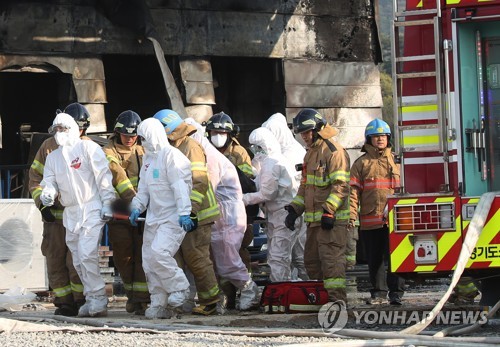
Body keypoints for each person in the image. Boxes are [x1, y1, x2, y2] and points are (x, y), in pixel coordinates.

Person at [40, 113, 117, 317]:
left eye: (63, 129)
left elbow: (103, 177)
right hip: (70, 212)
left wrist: (108, 202)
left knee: (87, 254)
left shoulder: (88, 148)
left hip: (91, 207)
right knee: (77, 260)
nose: (59, 134)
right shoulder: (53, 157)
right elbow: (49, 181)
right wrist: (48, 193)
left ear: (74, 128)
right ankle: (91, 298)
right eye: (56, 130)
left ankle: (99, 299)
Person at [184, 117, 260, 310]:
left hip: (227, 216)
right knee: (216, 259)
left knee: (227, 260)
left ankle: (249, 290)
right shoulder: (206, 153)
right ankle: (223, 299)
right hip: (221, 214)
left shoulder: (209, 158)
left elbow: (206, 186)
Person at [153, 109, 223, 316]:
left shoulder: (190, 147)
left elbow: (199, 181)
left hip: (198, 214)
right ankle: (185, 300)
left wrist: (190, 211)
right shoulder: (171, 147)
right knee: (179, 259)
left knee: (197, 258)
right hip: (180, 215)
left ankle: (211, 301)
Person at [28, 103, 91, 316]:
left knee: (76, 261)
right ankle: (64, 302)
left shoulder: (87, 147)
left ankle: (82, 299)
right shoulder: (48, 147)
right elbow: (35, 179)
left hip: (79, 218)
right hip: (54, 219)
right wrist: (42, 204)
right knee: (55, 258)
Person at [128, 118, 193, 319]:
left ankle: (180, 288)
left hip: (173, 217)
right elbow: (144, 190)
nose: (142, 142)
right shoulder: (148, 159)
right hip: (154, 217)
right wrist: (136, 207)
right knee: (148, 260)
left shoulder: (172, 156)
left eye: (145, 138)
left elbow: (180, 186)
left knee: (159, 253)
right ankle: (159, 302)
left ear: (154, 136)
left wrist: (184, 212)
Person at [284, 108, 350, 303]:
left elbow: (341, 186)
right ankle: (323, 300)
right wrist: (295, 210)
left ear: (319, 129)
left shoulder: (333, 152)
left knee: (331, 263)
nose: (304, 137)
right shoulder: (311, 154)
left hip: (331, 221)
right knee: (312, 262)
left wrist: (329, 212)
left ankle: (337, 303)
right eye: (301, 133)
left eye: (307, 132)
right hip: (314, 223)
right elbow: (306, 186)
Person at [349, 118, 405, 305]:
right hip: (370, 220)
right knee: (375, 260)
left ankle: (396, 293)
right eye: (375, 136)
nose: (380, 139)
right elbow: (353, 192)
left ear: (388, 138)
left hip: (395, 220)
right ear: (369, 139)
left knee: (396, 257)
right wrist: (351, 214)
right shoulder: (361, 163)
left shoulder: (397, 160)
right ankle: (378, 294)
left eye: (383, 136)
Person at [102, 110, 150, 315]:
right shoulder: (107, 152)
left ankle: (142, 299)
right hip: (120, 208)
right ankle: (132, 296)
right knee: (124, 255)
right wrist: (134, 201)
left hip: (143, 208)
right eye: (126, 135)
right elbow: (117, 176)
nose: (130, 139)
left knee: (142, 254)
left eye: (134, 136)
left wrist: (144, 203)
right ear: (117, 133)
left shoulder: (144, 149)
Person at [243, 127, 299, 282]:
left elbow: (267, 193)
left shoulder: (271, 163)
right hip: (276, 214)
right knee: (277, 256)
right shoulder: (271, 162)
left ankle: (281, 294)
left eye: (257, 147)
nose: (255, 151)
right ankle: (282, 289)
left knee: (278, 257)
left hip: (283, 215)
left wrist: (244, 199)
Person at [262, 112, 308, 280]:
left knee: (299, 257)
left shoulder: (294, 153)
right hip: (285, 211)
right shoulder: (278, 154)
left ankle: (308, 290)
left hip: (294, 211)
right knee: (283, 256)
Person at [205, 111, 254, 178]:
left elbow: (247, 177)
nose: (218, 136)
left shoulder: (239, 152)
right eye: (215, 132)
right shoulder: (204, 150)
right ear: (209, 134)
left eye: (222, 133)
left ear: (229, 134)